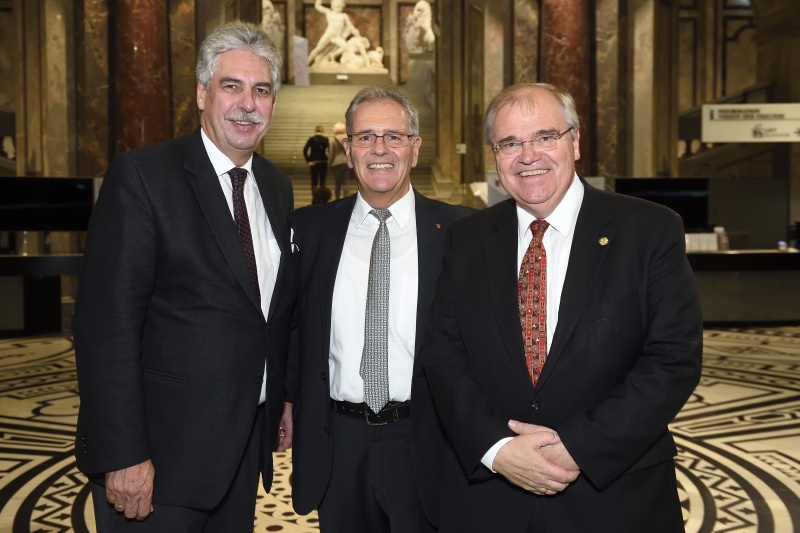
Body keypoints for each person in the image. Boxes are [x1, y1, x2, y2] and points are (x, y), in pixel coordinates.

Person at [420, 82, 703, 532]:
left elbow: (673, 360)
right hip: (489, 498)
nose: (527, 156)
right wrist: (496, 448)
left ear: (574, 141)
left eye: (544, 137)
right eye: (510, 143)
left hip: (614, 496)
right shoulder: (467, 238)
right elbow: (442, 353)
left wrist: (578, 446)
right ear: (495, 156)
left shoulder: (649, 230)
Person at [73, 20, 296, 532]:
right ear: (201, 93)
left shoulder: (276, 188)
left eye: (261, 90)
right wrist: (124, 453)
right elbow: (105, 328)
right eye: (231, 86)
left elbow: (268, 311)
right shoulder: (144, 176)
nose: (248, 103)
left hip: (240, 453)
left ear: (274, 104)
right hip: (157, 462)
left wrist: (280, 394)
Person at [287, 86, 474, 532]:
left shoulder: (461, 232)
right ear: (348, 151)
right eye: (366, 137)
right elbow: (293, 326)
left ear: (414, 147)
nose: (380, 149)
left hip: (428, 437)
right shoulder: (309, 229)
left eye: (393, 136)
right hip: (338, 441)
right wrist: (286, 400)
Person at [307, 0, 367, 68]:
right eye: (339, 7)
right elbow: (317, 6)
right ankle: (306, 63)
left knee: (345, 47)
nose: (340, 9)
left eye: (341, 7)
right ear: (334, 6)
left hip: (337, 37)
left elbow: (351, 27)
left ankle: (332, 55)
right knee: (318, 49)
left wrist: (359, 37)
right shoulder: (329, 12)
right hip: (328, 35)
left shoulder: (344, 16)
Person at [303, 125, 330, 191]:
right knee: (322, 180)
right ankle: (322, 195)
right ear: (323, 131)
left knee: (314, 180)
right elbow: (329, 150)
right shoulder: (325, 139)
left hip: (313, 162)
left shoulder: (311, 139)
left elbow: (305, 150)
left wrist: (308, 160)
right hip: (323, 162)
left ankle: (315, 196)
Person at [328, 122, 350, 199]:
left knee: (337, 183)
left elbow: (331, 153)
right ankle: (345, 199)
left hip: (336, 163)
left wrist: (329, 164)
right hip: (346, 163)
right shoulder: (348, 139)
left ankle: (337, 199)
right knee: (345, 182)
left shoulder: (332, 140)